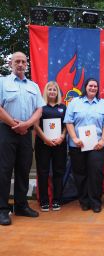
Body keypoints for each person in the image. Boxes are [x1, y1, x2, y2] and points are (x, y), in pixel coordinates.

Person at [0, 52, 45, 225]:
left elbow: (39, 110)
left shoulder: (33, 86)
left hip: (26, 133)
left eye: (23, 61)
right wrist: (14, 124)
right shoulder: (2, 82)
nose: (20, 64)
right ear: (11, 63)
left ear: (27, 64)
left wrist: (26, 125)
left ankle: (21, 205)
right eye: (17, 61)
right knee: (4, 170)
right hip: (6, 131)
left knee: (23, 169)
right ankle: (3, 209)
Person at [64, 78, 104, 213]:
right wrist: (74, 138)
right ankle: (84, 201)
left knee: (95, 173)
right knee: (80, 173)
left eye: (95, 86)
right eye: (90, 86)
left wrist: (102, 141)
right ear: (85, 87)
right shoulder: (74, 102)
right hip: (78, 145)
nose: (93, 88)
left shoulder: (103, 104)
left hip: (97, 145)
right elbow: (68, 122)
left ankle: (95, 201)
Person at [34, 81, 67, 211]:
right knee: (43, 172)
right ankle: (44, 201)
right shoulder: (40, 107)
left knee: (58, 172)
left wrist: (62, 136)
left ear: (58, 92)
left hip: (59, 144)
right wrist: (46, 139)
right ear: (46, 92)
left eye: (54, 89)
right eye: (50, 89)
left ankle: (57, 200)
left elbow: (66, 125)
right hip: (43, 144)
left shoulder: (63, 107)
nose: (52, 92)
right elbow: (35, 125)